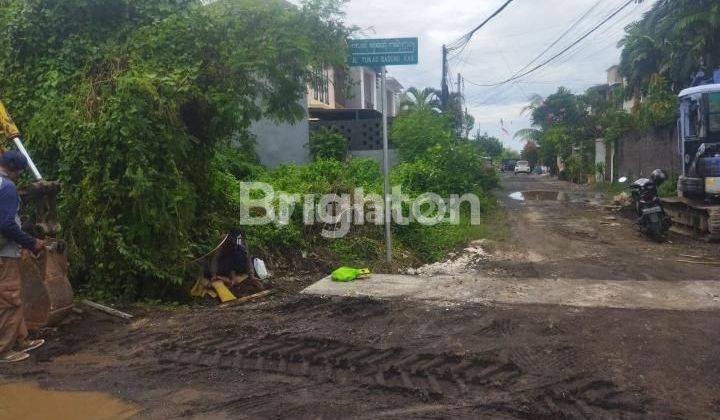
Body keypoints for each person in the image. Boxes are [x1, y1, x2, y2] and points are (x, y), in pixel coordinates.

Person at [0, 151, 46, 363]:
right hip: (4, 253)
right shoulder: (7, 187)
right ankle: (4, 350)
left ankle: (21, 339)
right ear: (17, 170)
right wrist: (31, 242)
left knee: (11, 298)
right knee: (9, 299)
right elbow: (7, 224)